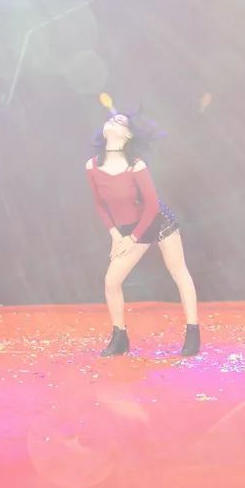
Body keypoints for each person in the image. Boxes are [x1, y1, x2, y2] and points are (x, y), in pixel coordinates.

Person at [85, 111, 200, 357]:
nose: (112, 121)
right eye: (111, 119)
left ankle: (193, 333)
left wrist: (133, 239)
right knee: (111, 282)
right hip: (128, 229)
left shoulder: (136, 165)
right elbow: (99, 205)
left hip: (157, 221)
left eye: (120, 121)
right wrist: (116, 235)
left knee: (179, 272)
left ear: (128, 135)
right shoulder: (92, 166)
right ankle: (120, 338)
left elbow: (152, 207)